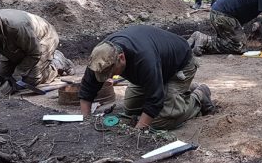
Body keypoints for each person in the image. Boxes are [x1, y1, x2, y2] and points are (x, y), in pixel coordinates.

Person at [79, 25, 214, 130]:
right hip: (155, 69)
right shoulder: (101, 55)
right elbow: (87, 87)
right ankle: (182, 90)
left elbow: (155, 100)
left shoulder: (144, 59)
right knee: (131, 110)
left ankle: (198, 97)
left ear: (121, 58)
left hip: (180, 65)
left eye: (110, 73)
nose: (108, 77)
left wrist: (138, 131)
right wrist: (86, 121)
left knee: (159, 121)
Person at [0, 9, 73, 91]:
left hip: (43, 40)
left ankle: (57, 63)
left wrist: (16, 75)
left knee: (29, 80)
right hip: (14, 45)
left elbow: (34, 53)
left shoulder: (17, 27)